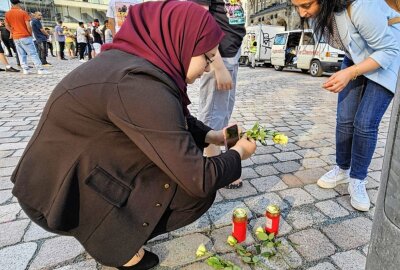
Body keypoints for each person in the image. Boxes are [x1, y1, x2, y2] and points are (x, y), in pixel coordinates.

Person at [10, 1, 256, 270]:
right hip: (57, 198)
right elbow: (200, 179)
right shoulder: (139, 85)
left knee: (173, 166)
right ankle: (112, 243)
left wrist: (216, 137)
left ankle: (112, 227)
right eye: (207, 57)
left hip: (64, 176)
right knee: (193, 193)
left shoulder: (136, 65)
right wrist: (238, 153)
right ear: (180, 40)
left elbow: (175, 121)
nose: (209, 67)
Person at [291, 0, 400, 211]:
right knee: (345, 118)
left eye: (305, 5)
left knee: (365, 122)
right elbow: (349, 43)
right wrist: (350, 69)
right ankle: (342, 169)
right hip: (355, 58)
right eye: (296, 6)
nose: (301, 13)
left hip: (385, 59)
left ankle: (358, 179)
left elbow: (389, 50)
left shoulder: (360, 7)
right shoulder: (318, 16)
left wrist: (349, 73)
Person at [190, 0, 246, 189]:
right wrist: (218, 64)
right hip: (218, 55)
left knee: (224, 111)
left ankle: (221, 164)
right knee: (212, 114)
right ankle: (217, 171)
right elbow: (199, 17)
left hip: (231, 52)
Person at [5, 0, 50, 75]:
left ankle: (25, 70)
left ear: (11, 3)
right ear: (19, 3)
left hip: (16, 37)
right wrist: (30, 34)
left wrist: (12, 32)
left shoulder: (7, 14)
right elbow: (28, 25)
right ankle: (40, 69)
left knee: (21, 54)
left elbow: (6, 25)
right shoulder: (23, 12)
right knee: (33, 53)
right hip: (25, 35)